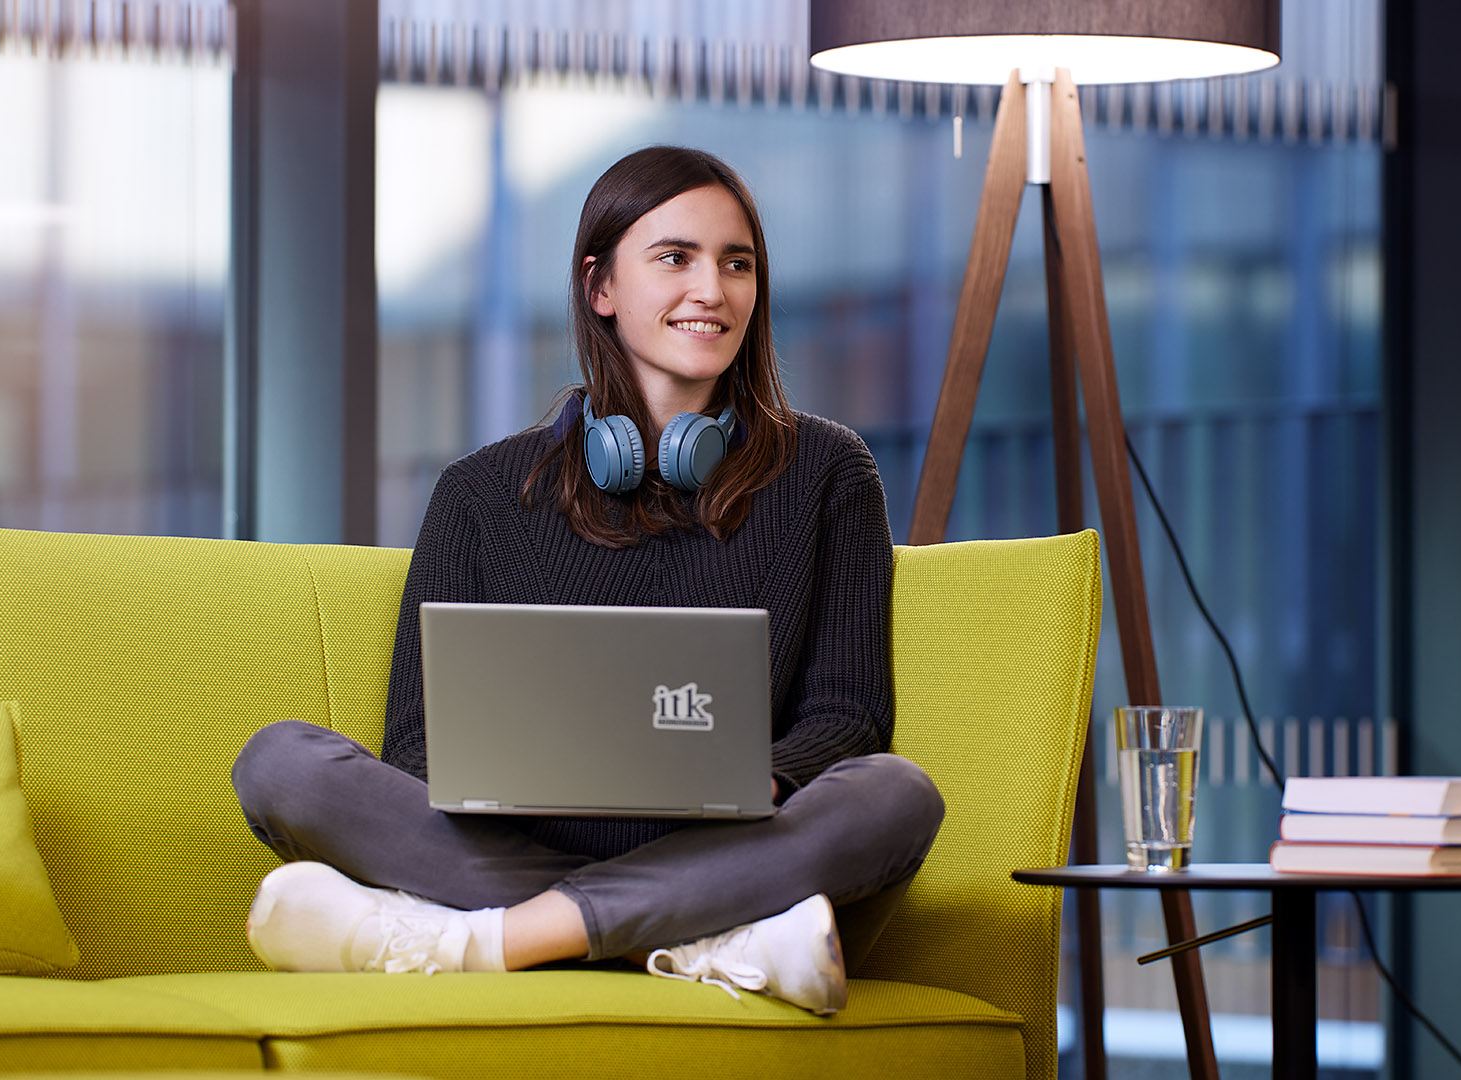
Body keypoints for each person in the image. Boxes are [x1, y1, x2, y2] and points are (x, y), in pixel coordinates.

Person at [229, 145, 944, 1015]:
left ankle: (491, 942)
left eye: (737, 263)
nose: (712, 291)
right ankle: (703, 939)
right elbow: (417, 747)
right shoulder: (481, 492)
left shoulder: (828, 471)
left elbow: (850, 717)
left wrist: (760, 780)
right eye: (675, 258)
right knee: (283, 764)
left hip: (736, 848)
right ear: (601, 286)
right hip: (553, 855)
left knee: (895, 794)